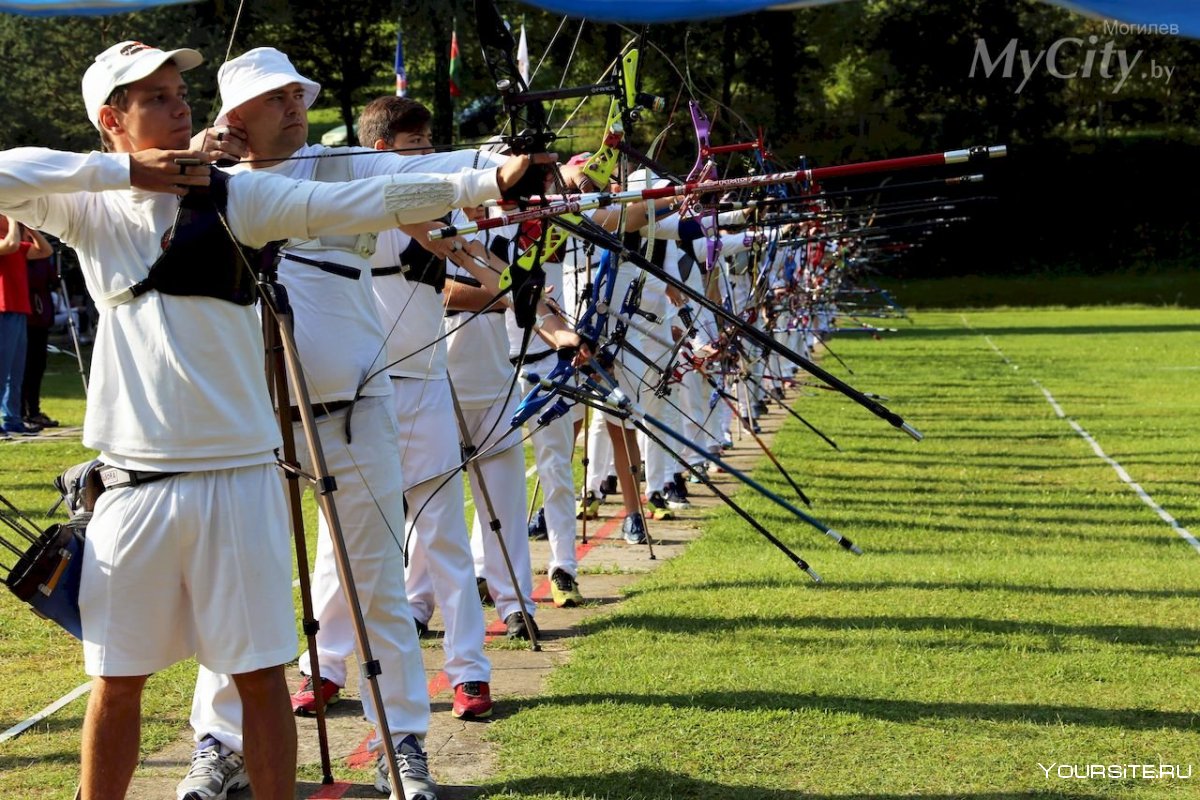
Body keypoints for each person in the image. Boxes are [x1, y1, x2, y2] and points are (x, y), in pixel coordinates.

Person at [0, 40, 533, 800]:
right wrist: (130, 172)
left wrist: (486, 178)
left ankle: (381, 747)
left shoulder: (240, 196)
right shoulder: (88, 207)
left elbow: (360, 195)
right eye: (154, 96)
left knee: (260, 676)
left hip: (241, 475)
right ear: (112, 120)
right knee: (115, 682)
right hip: (132, 484)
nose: (179, 101)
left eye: (178, 89)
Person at [183, 48, 544, 800]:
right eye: (272, 97)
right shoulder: (198, 183)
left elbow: (410, 172)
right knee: (238, 587)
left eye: (295, 93)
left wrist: (495, 169)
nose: (292, 105)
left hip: (352, 412)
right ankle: (218, 747)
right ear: (232, 117)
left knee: (377, 583)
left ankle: (400, 740)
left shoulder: (337, 166)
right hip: (246, 424)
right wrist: (196, 163)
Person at [0, 214, 51, 438]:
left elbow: (45, 250)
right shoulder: (8, 244)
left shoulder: (18, 245)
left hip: (20, 310)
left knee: (16, 371)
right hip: (2, 309)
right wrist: (13, 219)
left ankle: (12, 419)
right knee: (1, 370)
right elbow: (9, 245)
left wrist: (31, 228)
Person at [23, 233, 60, 429]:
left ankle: (34, 410)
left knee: (37, 366)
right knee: (24, 366)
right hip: (25, 316)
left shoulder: (41, 255)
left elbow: (52, 279)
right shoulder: (20, 251)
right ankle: (22, 412)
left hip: (40, 317)